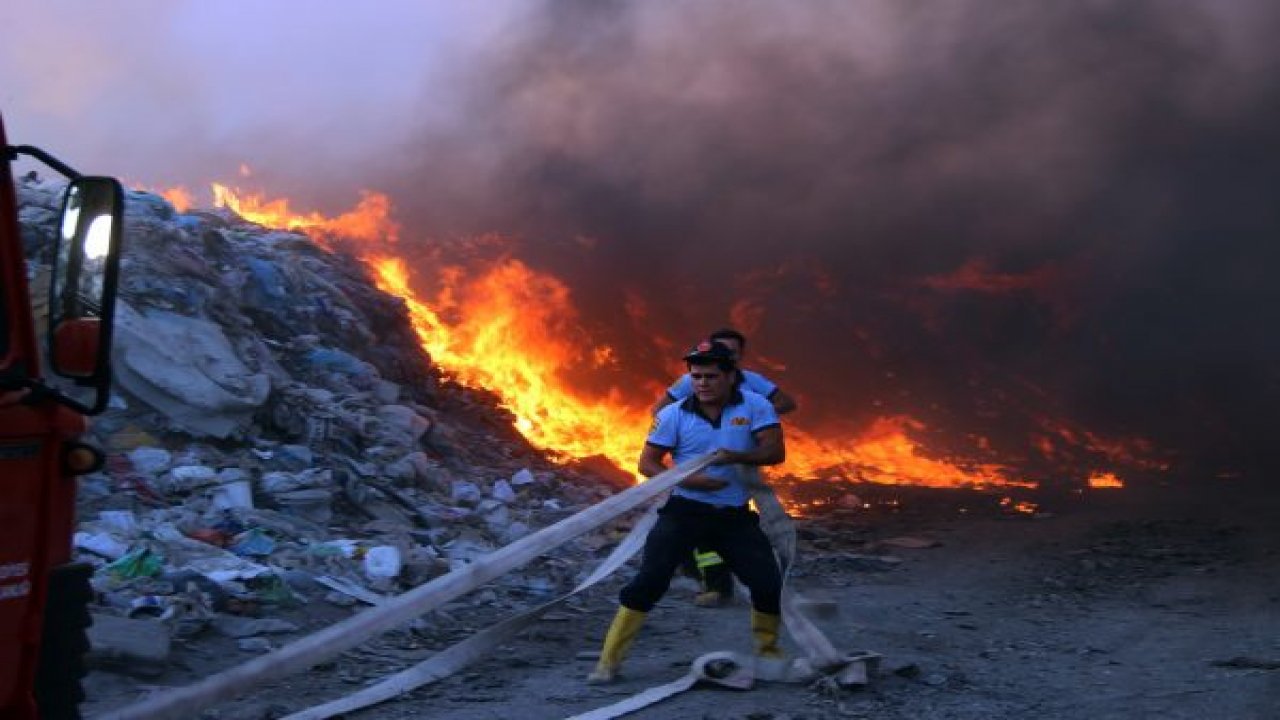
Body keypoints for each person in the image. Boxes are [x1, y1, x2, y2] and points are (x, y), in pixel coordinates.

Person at [588, 339, 787, 683]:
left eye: (711, 376)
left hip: (734, 516)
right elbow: (647, 464)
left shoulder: (754, 406)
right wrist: (690, 480)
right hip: (685, 511)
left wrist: (737, 456)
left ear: (730, 377)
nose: (702, 383)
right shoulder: (673, 415)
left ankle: (768, 652)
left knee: (767, 583)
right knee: (649, 581)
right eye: (696, 376)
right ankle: (608, 663)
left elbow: (775, 452)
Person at [653, 328, 797, 608]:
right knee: (693, 522)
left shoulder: (752, 384)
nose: (725, 355)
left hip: (740, 463)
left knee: (734, 525)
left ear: (739, 358)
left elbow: (786, 403)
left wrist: (752, 416)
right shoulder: (695, 381)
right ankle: (716, 584)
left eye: (732, 352)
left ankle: (752, 582)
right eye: (720, 349)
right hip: (700, 463)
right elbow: (659, 411)